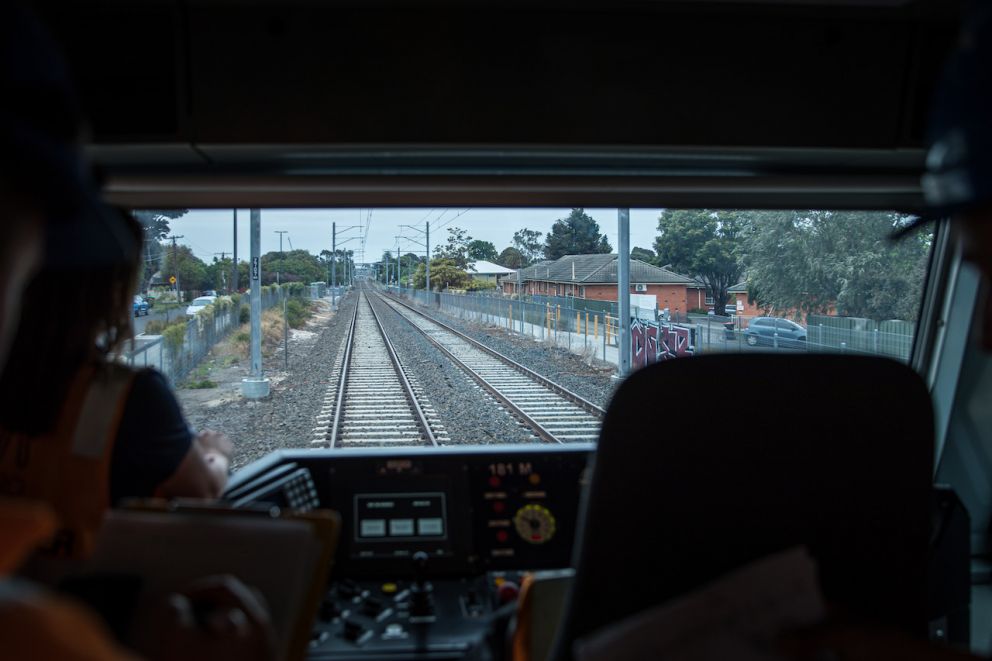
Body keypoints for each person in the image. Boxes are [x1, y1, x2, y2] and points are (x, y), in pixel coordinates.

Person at [0, 207, 235, 561]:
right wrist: (217, 453)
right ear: (110, 295)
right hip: (90, 600)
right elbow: (201, 490)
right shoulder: (128, 395)